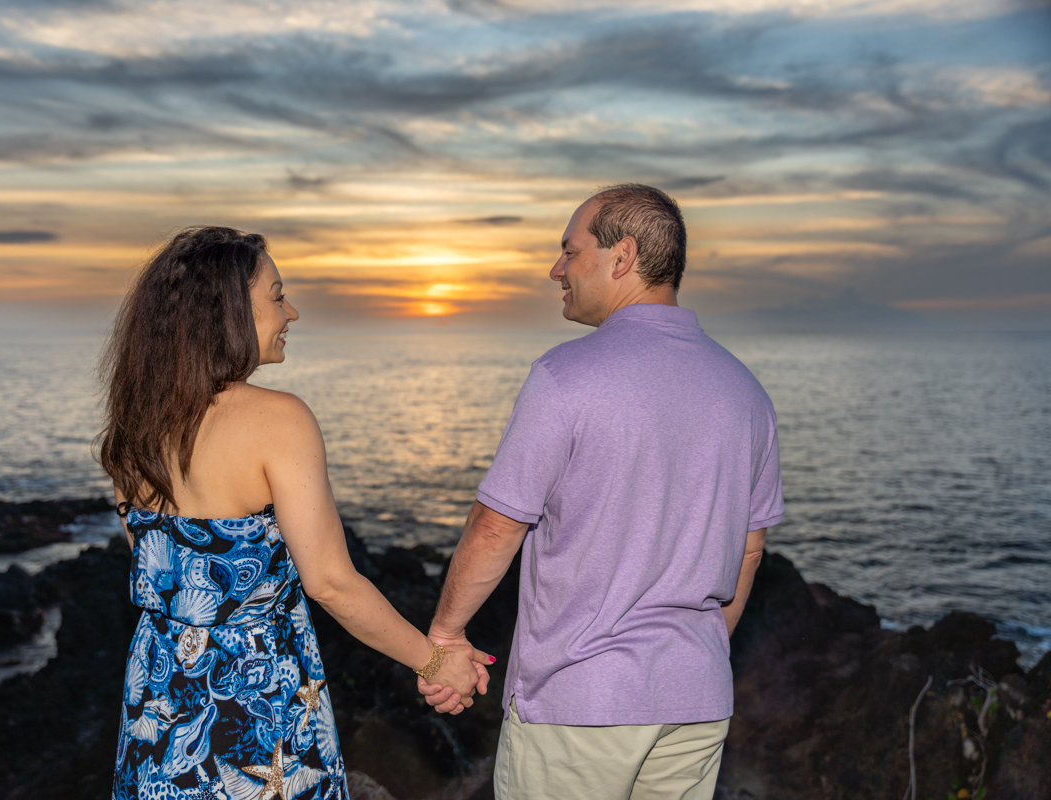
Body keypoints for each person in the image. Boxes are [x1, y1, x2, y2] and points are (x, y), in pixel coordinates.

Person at [98, 227, 493, 800]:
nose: (293, 312)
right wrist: (435, 662)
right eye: (277, 295)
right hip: (256, 708)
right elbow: (331, 582)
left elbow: (166, 579)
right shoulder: (278, 420)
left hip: (159, 701)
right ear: (227, 312)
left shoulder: (132, 430)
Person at [419, 185, 785, 800]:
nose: (556, 269)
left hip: (580, 701)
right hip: (697, 699)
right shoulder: (746, 392)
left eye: (570, 250)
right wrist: (694, 654)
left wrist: (446, 637)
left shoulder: (566, 376)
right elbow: (750, 550)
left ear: (622, 256)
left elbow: (496, 527)